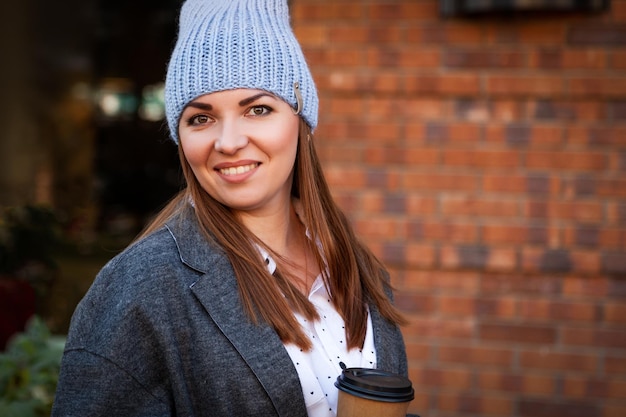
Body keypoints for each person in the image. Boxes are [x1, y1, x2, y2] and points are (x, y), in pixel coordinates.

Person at [52, 0, 411, 416]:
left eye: (257, 110)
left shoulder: (352, 263)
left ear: (301, 119)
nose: (228, 141)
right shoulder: (140, 286)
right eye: (200, 119)